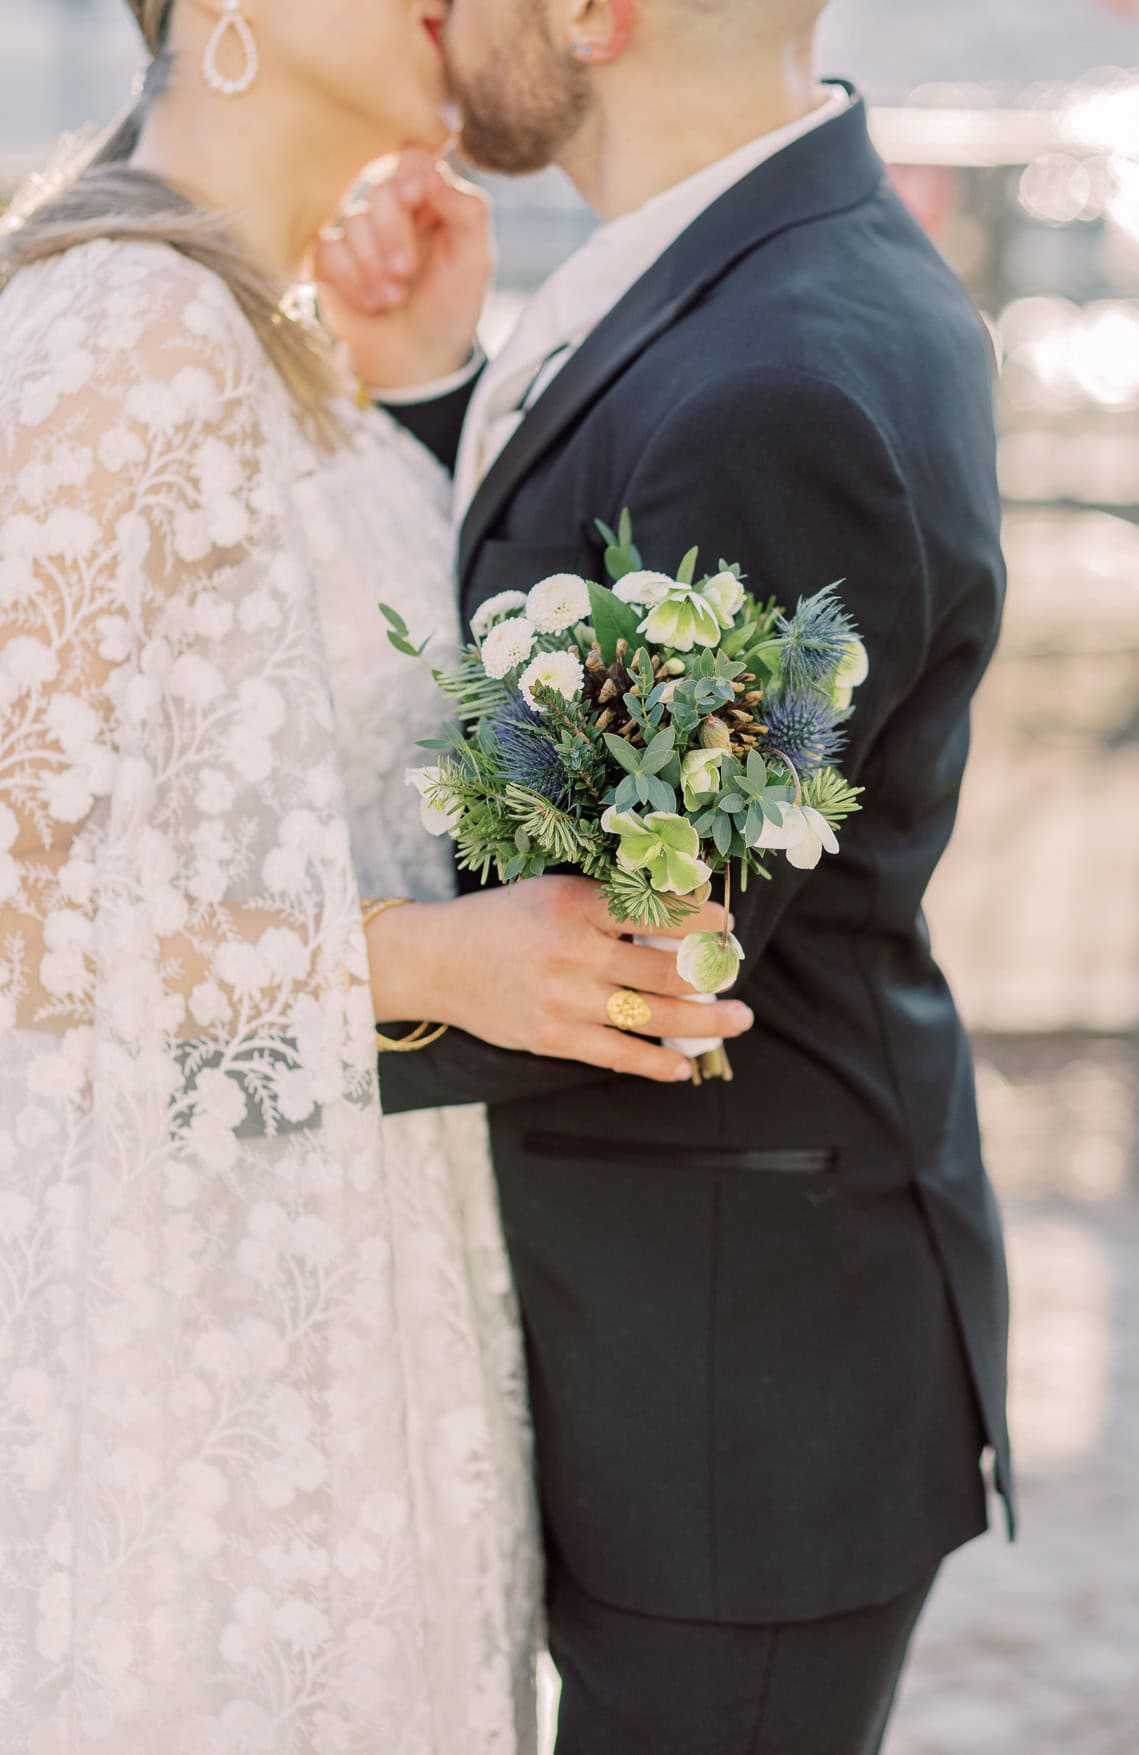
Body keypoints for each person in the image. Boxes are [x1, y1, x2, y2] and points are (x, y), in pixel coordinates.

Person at [0, 0, 753, 1745]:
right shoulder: (125, 333)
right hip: (195, 1355)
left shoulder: (271, 337)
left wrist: (418, 380)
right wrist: (418, 963)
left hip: (351, 1292)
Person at [318, 0, 1016, 1750]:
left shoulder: (779, 376)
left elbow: (615, 968)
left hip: (731, 1404)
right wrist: (432, 395)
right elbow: (586, 645)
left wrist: (165, 995)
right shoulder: (778, 271)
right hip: (714, 1329)